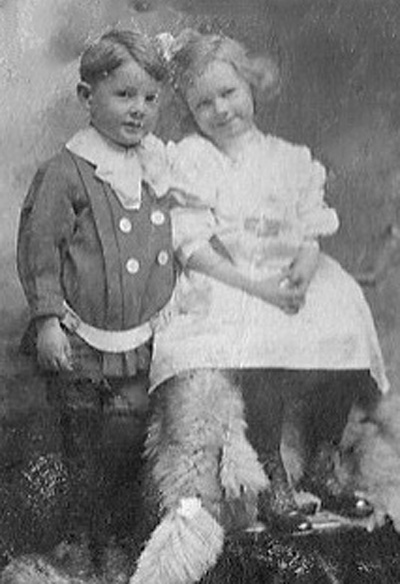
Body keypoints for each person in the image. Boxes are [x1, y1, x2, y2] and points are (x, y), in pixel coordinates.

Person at [129, 30, 390, 584]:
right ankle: (271, 471)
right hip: (229, 277)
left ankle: (323, 461)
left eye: (229, 93)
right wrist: (258, 288)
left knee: (344, 316)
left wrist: (303, 266)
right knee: (262, 336)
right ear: (190, 110)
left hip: (288, 274)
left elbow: (310, 229)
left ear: (252, 85)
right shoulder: (192, 161)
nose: (221, 110)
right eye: (204, 103)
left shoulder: (290, 159)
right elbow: (193, 245)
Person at [17, 29, 175, 568]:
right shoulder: (67, 170)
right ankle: (82, 539)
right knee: (82, 444)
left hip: (140, 339)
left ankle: (119, 542)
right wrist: (47, 320)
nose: (139, 109)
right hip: (80, 337)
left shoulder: (157, 167)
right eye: (124, 95)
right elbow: (41, 246)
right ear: (88, 96)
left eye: (150, 97)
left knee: (127, 445)